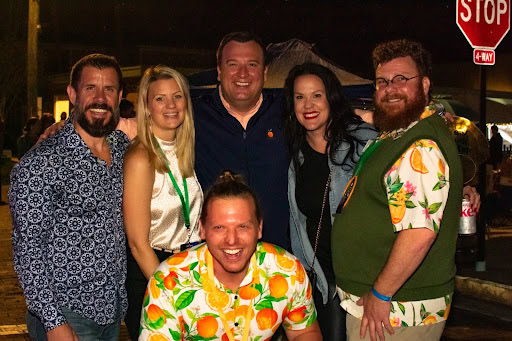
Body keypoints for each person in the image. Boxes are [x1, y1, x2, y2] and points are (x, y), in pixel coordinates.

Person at [332, 39, 464, 341]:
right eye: (382, 81)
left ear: (425, 84)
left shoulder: (419, 147)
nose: (390, 88)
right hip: (390, 305)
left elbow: (419, 233)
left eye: (402, 79)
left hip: (397, 310)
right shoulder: (401, 132)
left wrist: (380, 293)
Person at [9, 54, 129, 341]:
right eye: (90, 88)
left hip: (112, 311)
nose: (100, 98)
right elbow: (28, 251)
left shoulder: (123, 147)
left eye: (109, 89)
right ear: (73, 94)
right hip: (67, 315)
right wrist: (54, 322)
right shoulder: (40, 164)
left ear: (120, 96)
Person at [138, 171, 322, 340]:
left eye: (243, 226)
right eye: (219, 228)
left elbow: (304, 331)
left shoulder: (287, 270)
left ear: (259, 228)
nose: (232, 240)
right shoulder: (168, 281)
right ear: (202, 229)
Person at [282, 62, 377, 341]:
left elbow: (407, 170)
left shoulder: (363, 143)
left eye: (316, 95)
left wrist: (464, 187)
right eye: (300, 97)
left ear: (331, 98)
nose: (308, 105)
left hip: (359, 277)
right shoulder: (295, 156)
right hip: (320, 278)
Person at [122, 65, 203, 341]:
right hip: (153, 273)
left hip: (188, 268)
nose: (171, 105)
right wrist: (169, 290)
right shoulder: (141, 158)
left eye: (177, 96)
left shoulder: (184, 150)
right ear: (146, 107)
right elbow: (136, 243)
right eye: (160, 98)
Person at [193, 31, 291, 250]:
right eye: (233, 64)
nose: (243, 74)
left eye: (252, 64)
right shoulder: (193, 115)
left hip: (276, 258)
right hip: (217, 257)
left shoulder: (287, 113)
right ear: (219, 71)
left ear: (265, 72)